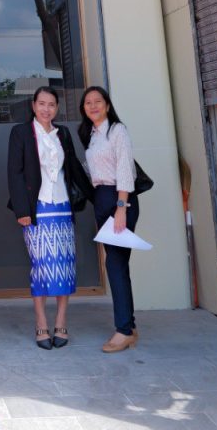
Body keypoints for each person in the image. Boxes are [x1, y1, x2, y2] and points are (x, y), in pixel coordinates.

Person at [7, 86, 93, 349]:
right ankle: (41, 323)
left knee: (65, 267)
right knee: (41, 267)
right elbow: (14, 173)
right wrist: (22, 210)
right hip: (38, 208)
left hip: (62, 208)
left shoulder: (62, 133)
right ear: (33, 106)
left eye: (51, 104)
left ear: (57, 108)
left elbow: (74, 168)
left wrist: (98, 197)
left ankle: (61, 322)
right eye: (42, 104)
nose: (46, 109)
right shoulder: (21, 132)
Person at [79, 85, 140, 353]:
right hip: (102, 198)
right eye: (88, 103)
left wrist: (121, 207)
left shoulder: (117, 130)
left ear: (107, 105)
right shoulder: (92, 135)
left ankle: (123, 330)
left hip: (119, 198)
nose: (93, 106)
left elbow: (124, 168)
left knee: (114, 263)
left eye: (98, 101)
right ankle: (130, 325)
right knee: (118, 264)